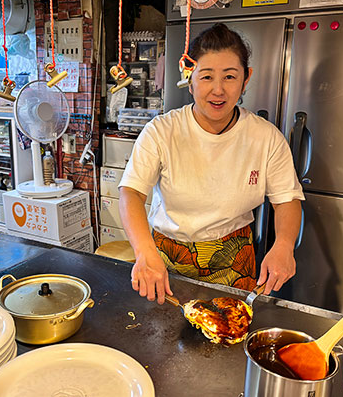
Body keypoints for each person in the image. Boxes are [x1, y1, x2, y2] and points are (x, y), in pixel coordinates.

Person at [118, 23, 304, 304]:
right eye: (206, 77)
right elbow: (131, 192)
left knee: (230, 336)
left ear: (246, 78)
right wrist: (144, 253)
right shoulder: (161, 131)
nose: (218, 90)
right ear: (190, 79)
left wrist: (284, 245)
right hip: (165, 259)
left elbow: (286, 199)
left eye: (230, 76)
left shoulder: (266, 137)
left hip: (234, 257)